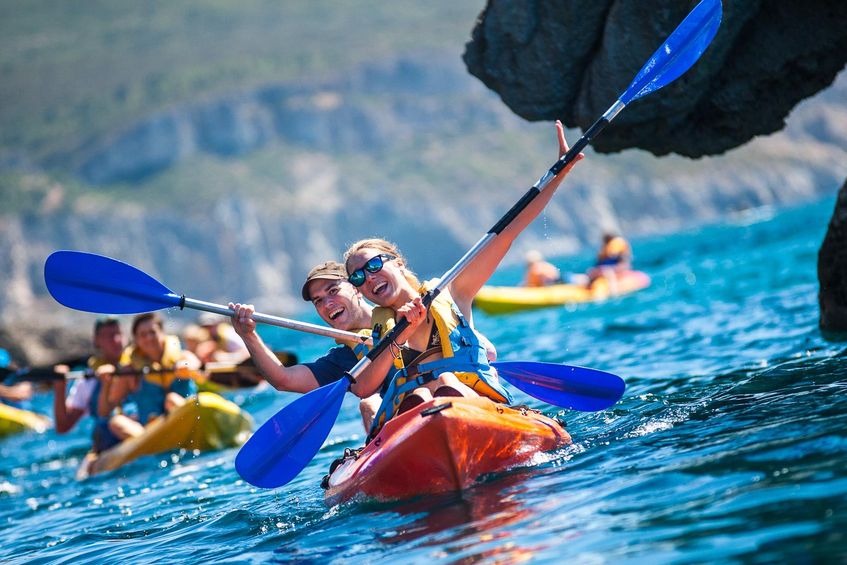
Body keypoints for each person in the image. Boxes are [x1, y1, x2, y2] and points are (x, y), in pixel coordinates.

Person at [344, 120, 581, 435]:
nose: (368, 278)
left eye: (374, 265)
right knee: (414, 396)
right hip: (416, 424)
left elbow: (507, 233)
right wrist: (400, 336)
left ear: (398, 262)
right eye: (358, 278)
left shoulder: (455, 293)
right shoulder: (380, 334)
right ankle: (429, 414)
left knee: (446, 382)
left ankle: (444, 405)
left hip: (471, 406)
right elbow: (364, 388)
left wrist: (559, 172)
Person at [229, 261, 386, 430]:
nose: (327, 304)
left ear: (356, 287)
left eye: (333, 291)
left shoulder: (402, 314)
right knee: (369, 405)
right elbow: (283, 379)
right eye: (318, 300)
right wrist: (248, 335)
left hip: (418, 393)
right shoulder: (341, 361)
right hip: (400, 419)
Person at [104, 312, 201, 441]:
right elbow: (111, 403)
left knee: (172, 399)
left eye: (153, 332)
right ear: (136, 340)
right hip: (150, 432)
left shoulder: (183, 357)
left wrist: (188, 367)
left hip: (189, 420)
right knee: (116, 421)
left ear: (162, 333)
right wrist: (106, 382)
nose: (149, 338)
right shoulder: (130, 372)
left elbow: (198, 368)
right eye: (143, 335)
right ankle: (149, 442)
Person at [51, 317, 125, 453]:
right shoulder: (88, 381)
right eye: (109, 337)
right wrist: (60, 388)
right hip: (108, 446)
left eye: (118, 334)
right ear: (97, 340)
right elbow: (63, 427)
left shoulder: (138, 365)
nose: (116, 341)